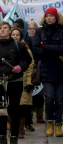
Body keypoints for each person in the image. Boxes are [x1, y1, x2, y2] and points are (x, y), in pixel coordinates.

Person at [0, 21, 32, 144]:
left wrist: (20, 67)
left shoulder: (18, 45)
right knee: (1, 109)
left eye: (5, 28)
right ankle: (2, 134)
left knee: (14, 109)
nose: (2, 30)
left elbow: (27, 59)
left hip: (15, 80)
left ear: (9, 30)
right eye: (0, 28)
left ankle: (14, 136)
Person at [32, 7, 63, 137]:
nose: (49, 18)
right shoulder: (40, 31)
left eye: (51, 16)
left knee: (60, 99)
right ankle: (49, 121)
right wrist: (56, 52)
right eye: (47, 16)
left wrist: (46, 47)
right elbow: (37, 50)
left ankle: (58, 124)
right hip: (46, 70)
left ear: (56, 17)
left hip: (60, 71)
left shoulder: (61, 30)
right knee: (49, 98)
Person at [10, 28, 35, 138]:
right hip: (11, 81)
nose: (15, 36)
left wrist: (29, 82)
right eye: (13, 35)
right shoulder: (7, 48)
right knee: (11, 107)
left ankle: (20, 131)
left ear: (21, 37)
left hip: (24, 83)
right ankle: (12, 129)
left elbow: (30, 68)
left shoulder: (26, 50)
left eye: (17, 35)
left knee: (23, 109)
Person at [27, 20, 45, 124]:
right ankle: (29, 116)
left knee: (39, 93)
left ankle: (39, 115)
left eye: (34, 29)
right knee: (29, 93)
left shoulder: (40, 40)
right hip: (28, 69)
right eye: (30, 28)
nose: (32, 30)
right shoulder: (25, 40)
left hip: (38, 68)